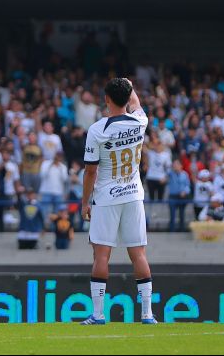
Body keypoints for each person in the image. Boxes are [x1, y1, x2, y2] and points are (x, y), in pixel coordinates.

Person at [81, 78, 157, 325]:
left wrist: (84, 202)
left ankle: (98, 314)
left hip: (106, 198)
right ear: (128, 97)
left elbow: (90, 171)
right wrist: (130, 85)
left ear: (106, 99)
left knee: (101, 256)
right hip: (134, 195)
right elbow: (135, 101)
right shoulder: (140, 121)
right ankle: (147, 314)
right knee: (139, 254)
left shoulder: (97, 130)